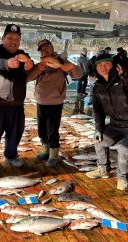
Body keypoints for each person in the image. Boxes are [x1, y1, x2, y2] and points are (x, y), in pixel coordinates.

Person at [0, 23, 34, 174]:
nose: (13, 41)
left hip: (16, 105)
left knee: (15, 132)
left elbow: (30, 67)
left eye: (17, 38)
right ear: (3, 38)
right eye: (10, 38)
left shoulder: (23, 53)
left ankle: (11, 156)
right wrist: (6, 63)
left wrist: (30, 64)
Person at [85, 53, 128, 191]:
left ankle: (123, 177)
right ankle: (103, 169)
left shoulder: (124, 78)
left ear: (113, 65)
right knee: (100, 141)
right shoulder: (98, 86)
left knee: (124, 150)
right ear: (96, 68)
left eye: (107, 64)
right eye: (100, 65)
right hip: (115, 124)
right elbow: (98, 111)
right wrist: (98, 129)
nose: (103, 67)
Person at [27, 39, 82, 167]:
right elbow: (28, 78)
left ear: (52, 48)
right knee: (41, 128)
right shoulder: (40, 63)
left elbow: (78, 74)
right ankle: (45, 150)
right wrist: (38, 69)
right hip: (40, 100)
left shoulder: (61, 61)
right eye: (41, 49)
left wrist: (68, 66)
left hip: (55, 102)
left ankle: (54, 154)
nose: (44, 50)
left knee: (52, 129)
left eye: (46, 47)